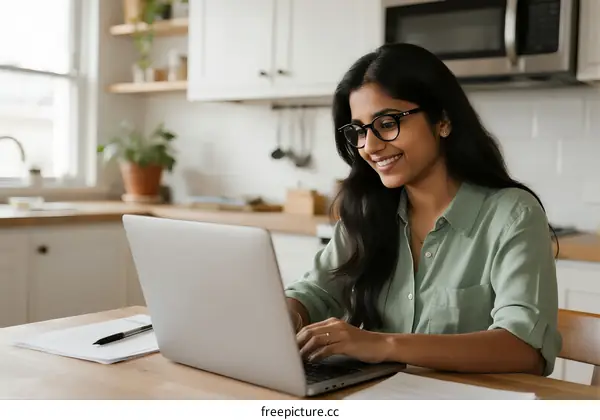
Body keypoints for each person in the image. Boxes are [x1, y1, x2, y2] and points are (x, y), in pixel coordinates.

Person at [284, 43, 562, 377]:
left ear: (442, 119)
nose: (369, 147)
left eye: (387, 123)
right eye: (358, 130)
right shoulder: (366, 211)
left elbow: (525, 349)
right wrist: (288, 316)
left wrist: (379, 344)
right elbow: (314, 292)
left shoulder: (513, 215)